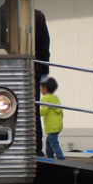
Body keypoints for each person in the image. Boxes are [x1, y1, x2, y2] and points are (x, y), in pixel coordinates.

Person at [34, 10, 50, 156]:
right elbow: (45, 45)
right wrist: (45, 70)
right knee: (34, 109)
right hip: (35, 68)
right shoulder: (38, 16)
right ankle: (36, 147)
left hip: (3, 68)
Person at [40, 77, 64, 160]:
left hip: (51, 126)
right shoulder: (55, 98)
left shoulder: (45, 99)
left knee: (54, 143)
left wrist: (36, 114)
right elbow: (61, 112)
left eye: (42, 88)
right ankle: (49, 157)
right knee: (48, 141)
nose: (41, 90)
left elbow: (44, 110)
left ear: (45, 88)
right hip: (58, 125)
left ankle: (61, 158)